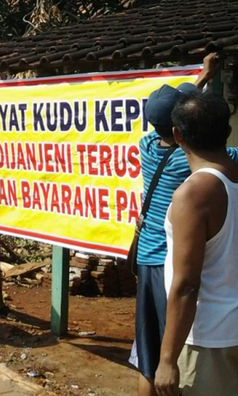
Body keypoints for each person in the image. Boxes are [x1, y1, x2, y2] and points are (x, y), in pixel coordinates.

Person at [132, 52, 238, 395]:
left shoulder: (148, 146)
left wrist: (201, 79)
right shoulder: (221, 168)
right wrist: (206, 77)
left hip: (155, 264)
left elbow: (186, 123)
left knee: (150, 355)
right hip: (189, 287)